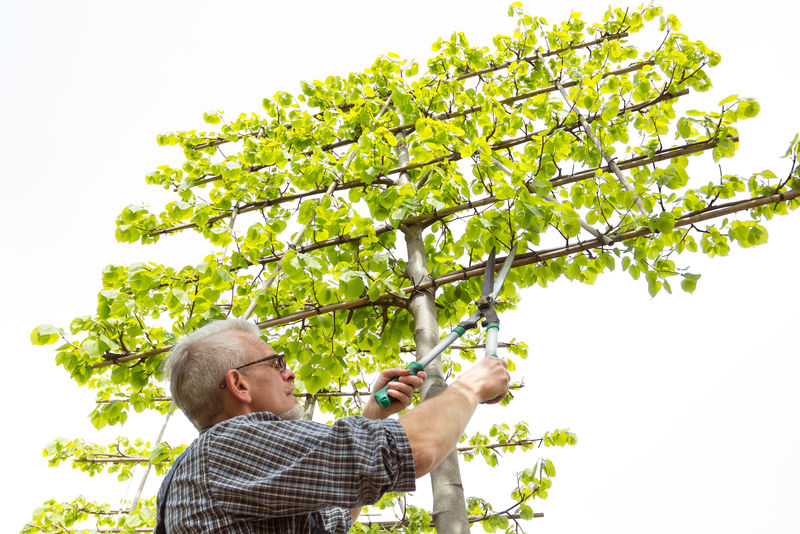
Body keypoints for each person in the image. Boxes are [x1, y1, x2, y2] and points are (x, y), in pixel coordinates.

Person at [156, 318, 510, 533]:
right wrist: (472, 384)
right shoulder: (226, 448)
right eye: (275, 362)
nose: (289, 372)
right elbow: (413, 449)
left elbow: (333, 520)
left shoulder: (213, 470)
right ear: (240, 385)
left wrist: (371, 416)